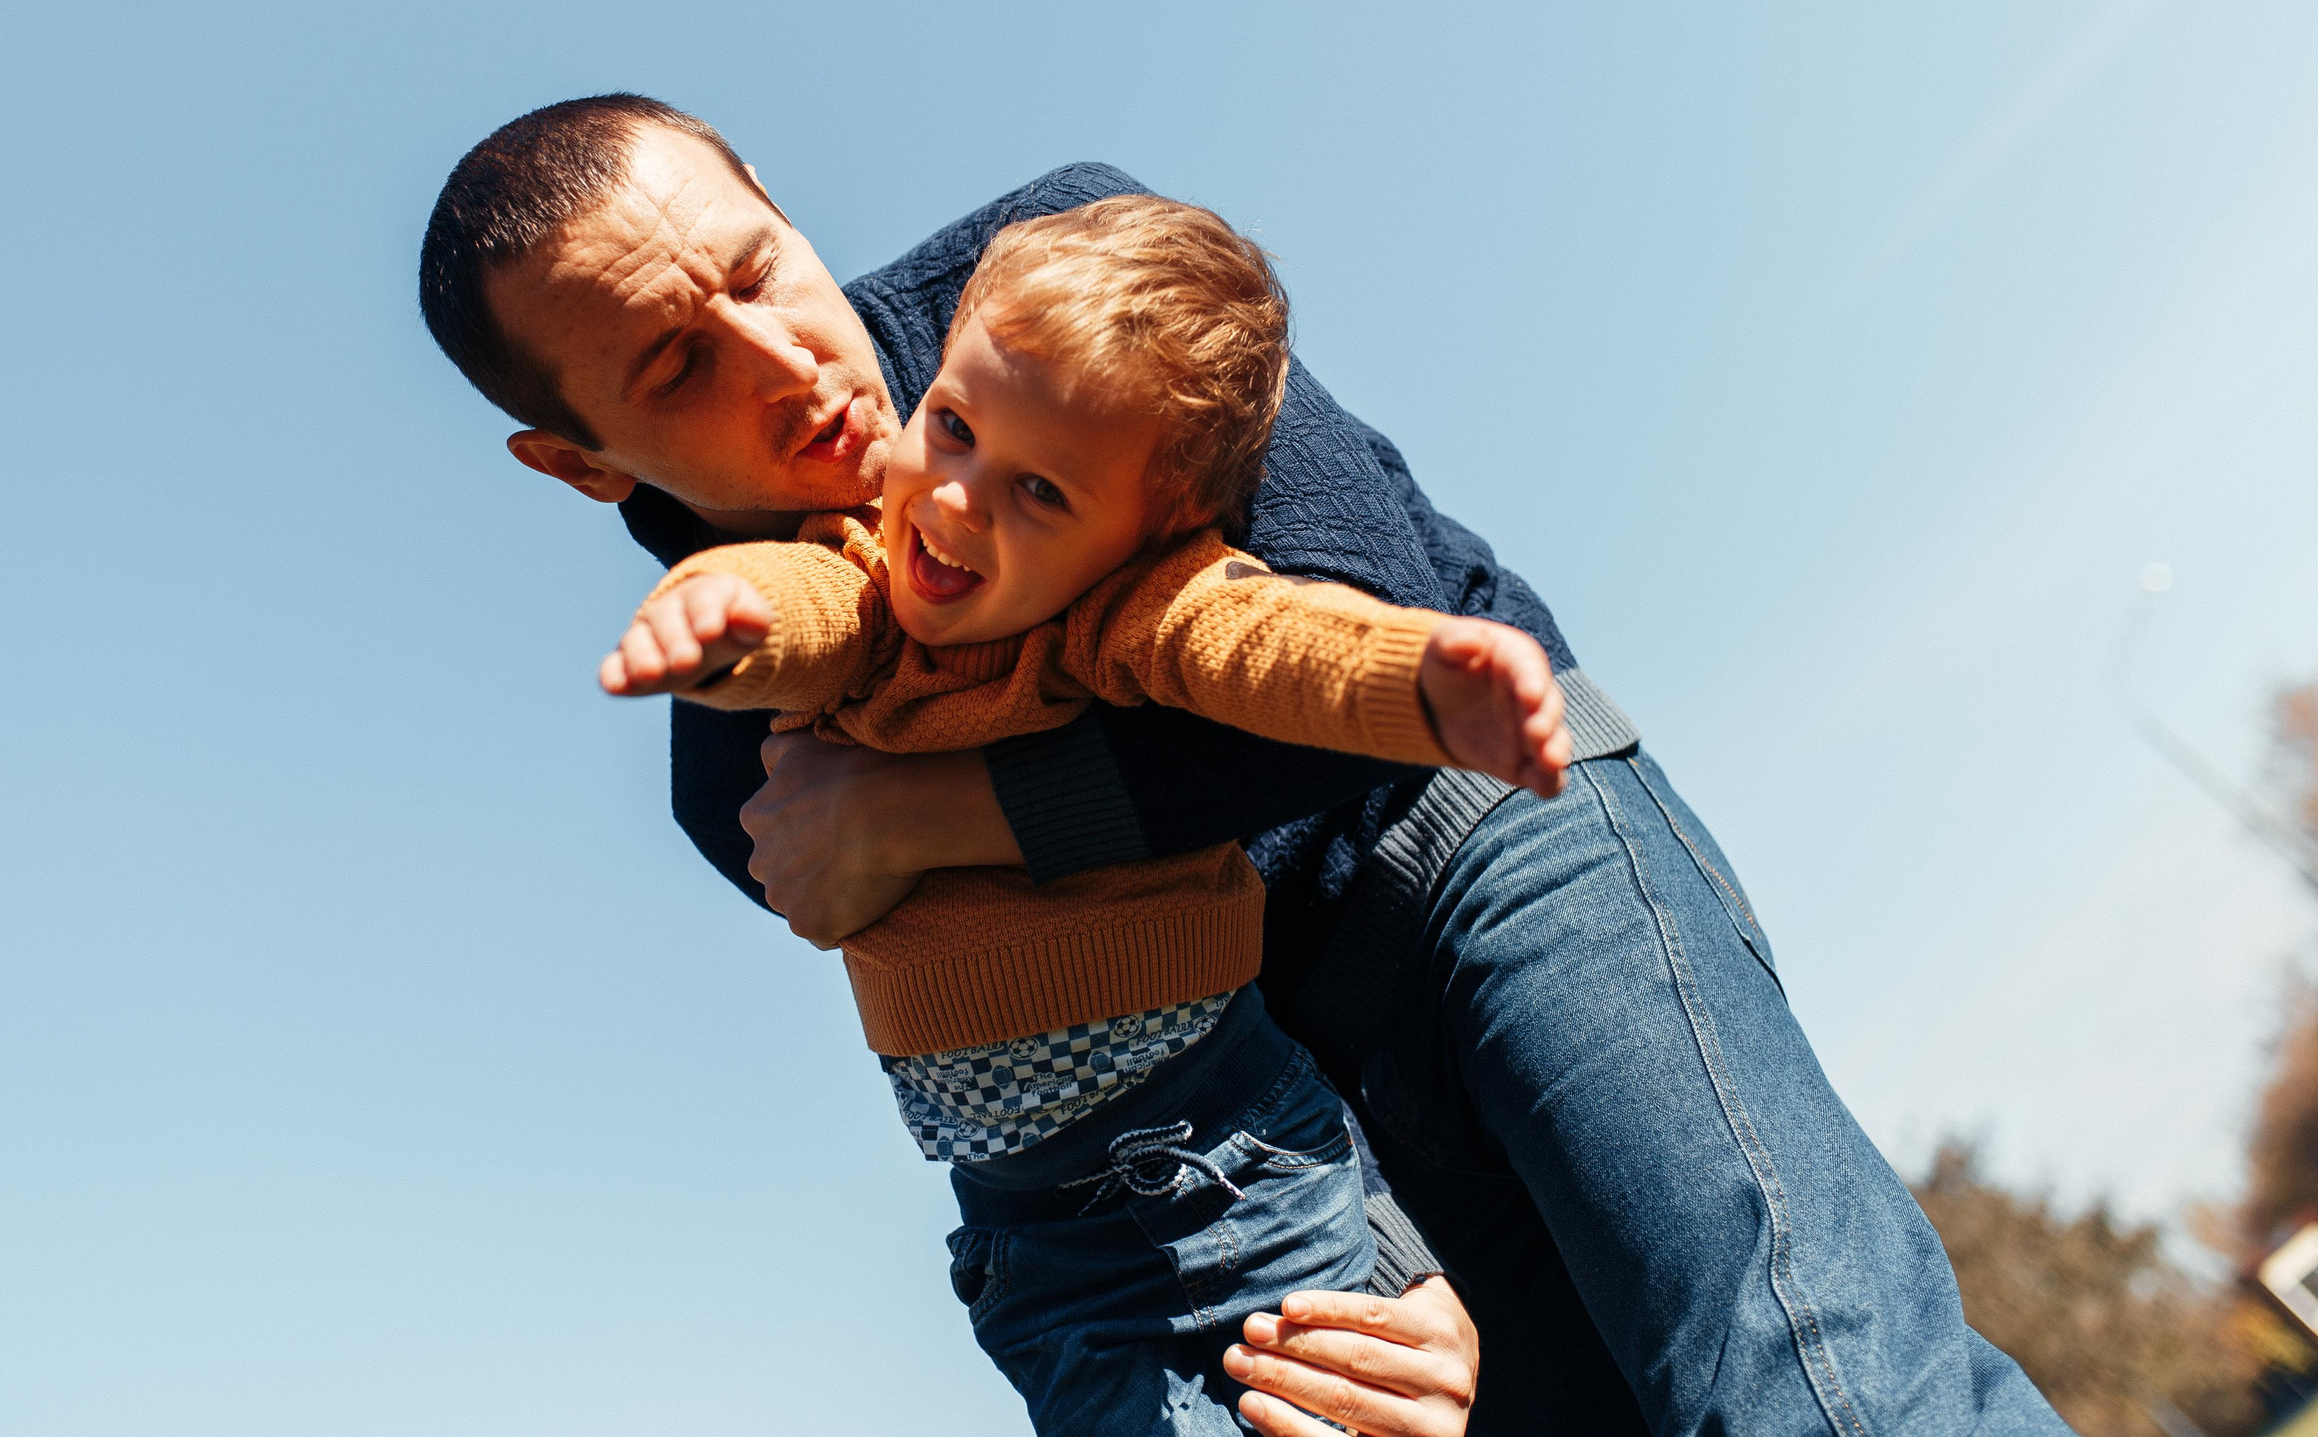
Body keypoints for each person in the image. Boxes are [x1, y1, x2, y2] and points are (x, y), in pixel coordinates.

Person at [418, 94, 2070, 1434]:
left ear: (771, 193)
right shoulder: (736, 770)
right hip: (1266, 1077)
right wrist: (1358, 1277)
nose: (787, 363)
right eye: (676, 366)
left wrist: (941, 809)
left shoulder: (1073, 276)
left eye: (756, 267)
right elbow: (1069, 1019)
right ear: (575, 463)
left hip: (1480, 824)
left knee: (1803, 1387)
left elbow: (1365, 611)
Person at [599, 195, 1568, 1434]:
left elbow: (1265, 639)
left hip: (1233, 1162)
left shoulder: (1117, 622)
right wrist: (716, 615)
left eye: (1041, 492)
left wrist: (1419, 675)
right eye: (948, 426)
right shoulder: (867, 584)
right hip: (1035, 1244)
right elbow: (795, 604)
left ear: (1141, 538)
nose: (954, 502)